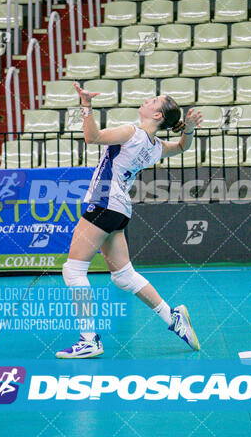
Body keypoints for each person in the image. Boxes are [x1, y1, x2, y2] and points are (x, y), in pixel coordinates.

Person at [56, 83, 202, 359]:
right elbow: (183, 146)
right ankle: (173, 318)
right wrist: (190, 128)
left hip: (103, 202)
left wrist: (86, 105)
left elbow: (92, 137)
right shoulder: (155, 146)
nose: (148, 99)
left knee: (74, 271)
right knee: (124, 276)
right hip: (120, 208)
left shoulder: (131, 132)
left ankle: (89, 340)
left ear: (158, 115)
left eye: (154, 100)